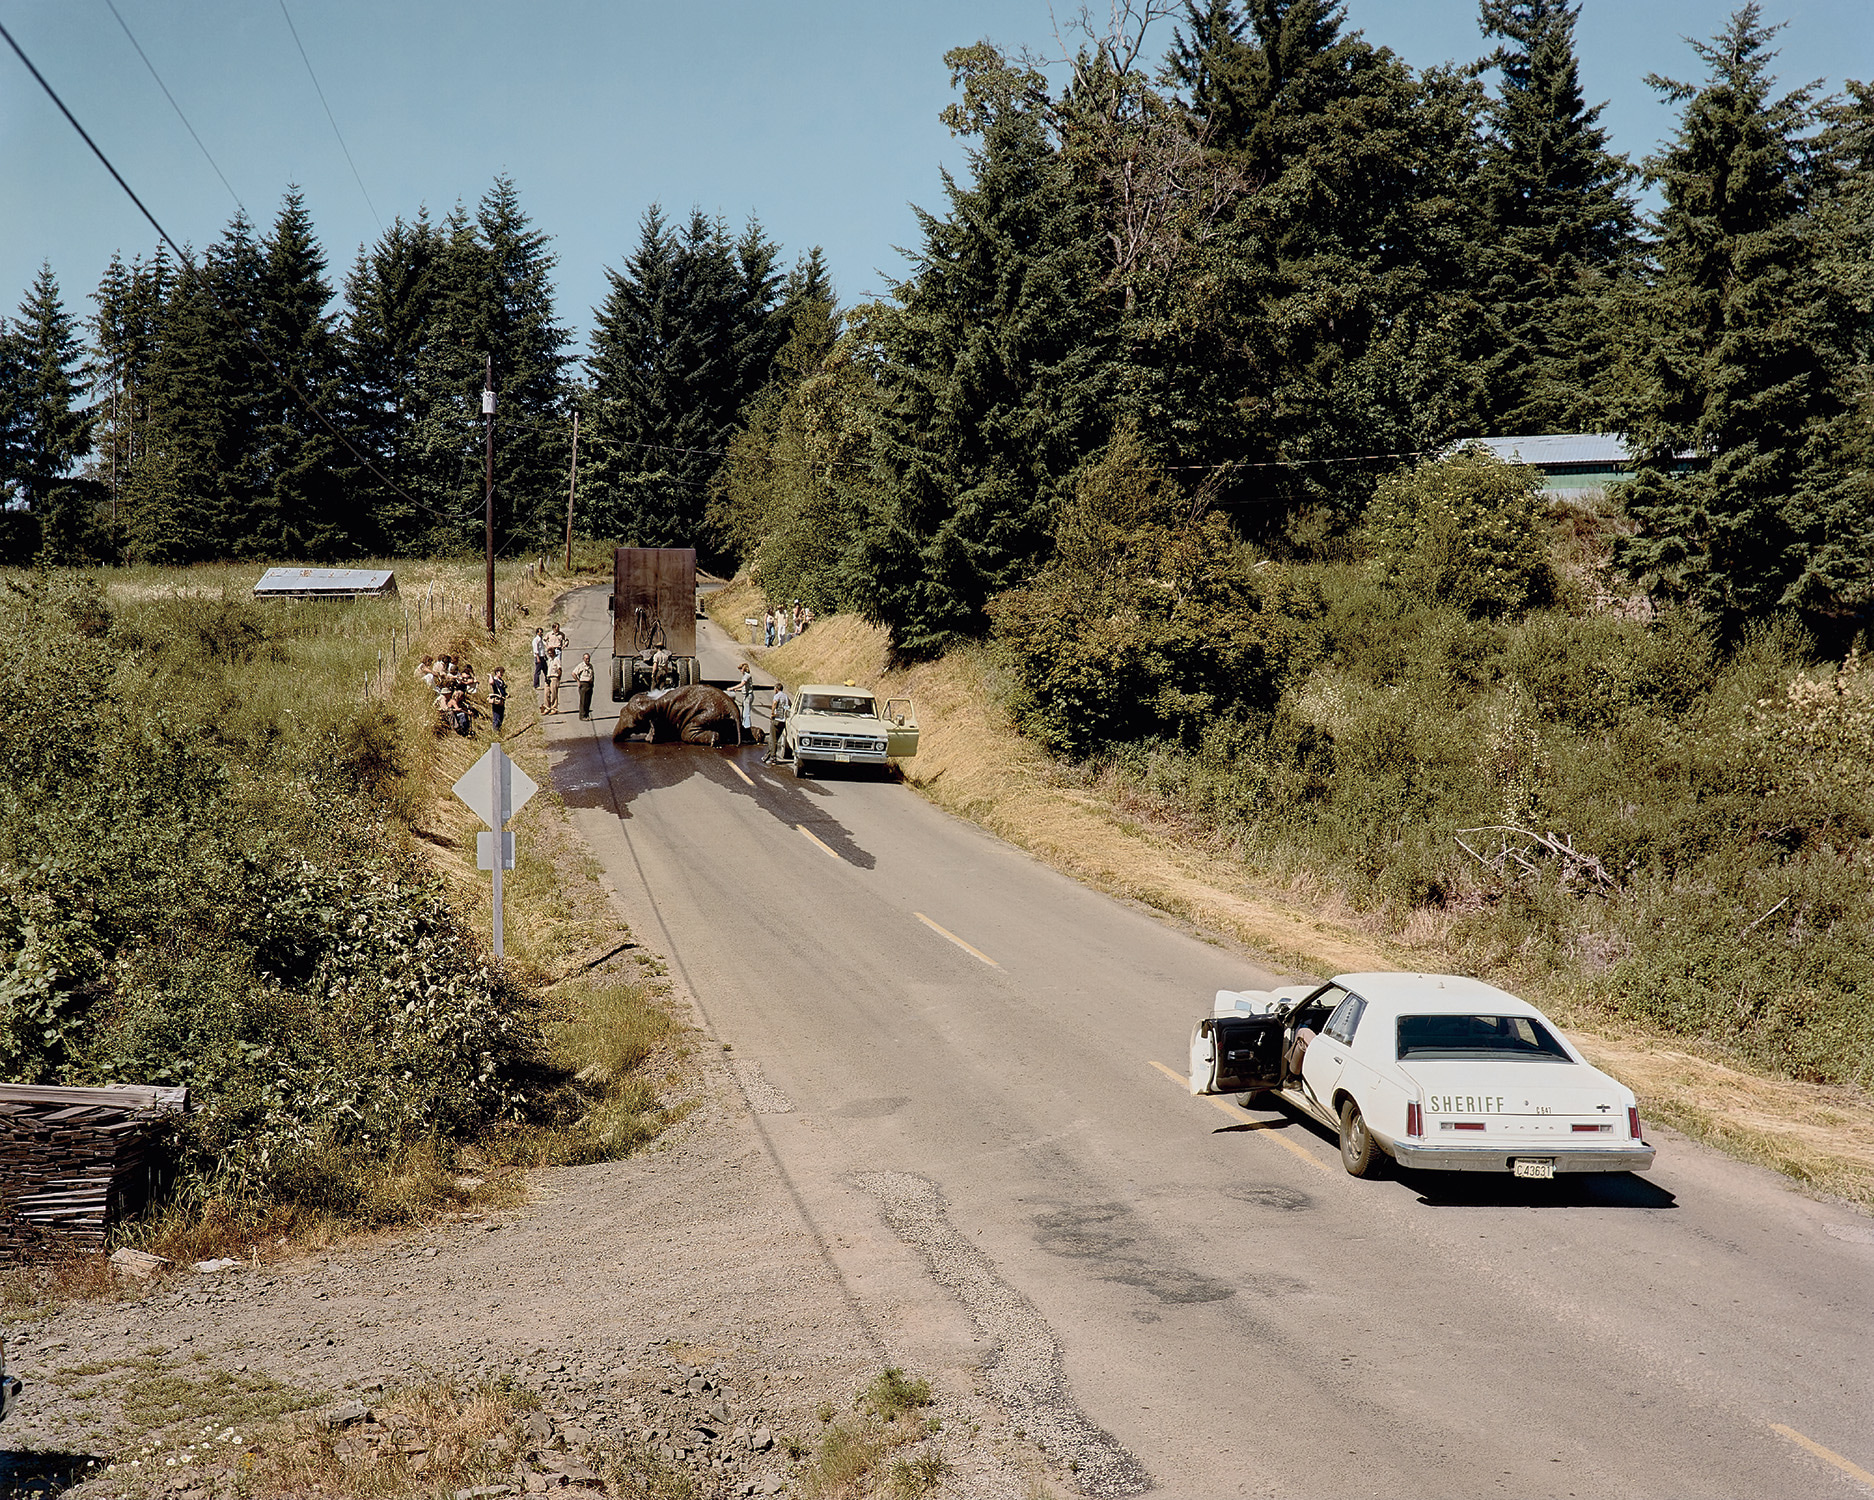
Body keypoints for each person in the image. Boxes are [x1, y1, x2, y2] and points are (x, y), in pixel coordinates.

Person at [765, 681, 793, 764]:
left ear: (776, 689)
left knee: (772, 739)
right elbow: (790, 705)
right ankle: (768, 754)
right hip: (783, 720)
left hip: (777, 719)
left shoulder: (777, 696)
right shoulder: (786, 697)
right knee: (777, 738)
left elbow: (774, 703)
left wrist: (772, 713)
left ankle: (773, 757)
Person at [735, 662, 754, 737]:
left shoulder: (746, 676)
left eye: (741, 669)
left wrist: (733, 688)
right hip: (746, 695)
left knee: (746, 713)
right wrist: (738, 690)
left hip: (748, 696)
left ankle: (747, 729)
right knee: (744, 713)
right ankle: (744, 727)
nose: (740, 671)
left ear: (744, 669)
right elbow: (744, 687)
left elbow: (742, 684)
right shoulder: (746, 676)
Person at [574, 651, 595, 719]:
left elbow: (592, 675)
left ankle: (587, 714)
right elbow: (573, 673)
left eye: (588, 658)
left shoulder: (590, 666)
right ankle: (582, 715)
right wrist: (578, 681)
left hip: (589, 684)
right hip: (583, 684)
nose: (587, 660)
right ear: (583, 659)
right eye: (586, 659)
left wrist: (592, 683)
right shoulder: (581, 666)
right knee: (583, 701)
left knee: (588, 701)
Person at [489, 667, 508, 734]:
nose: (502, 674)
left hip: (502, 701)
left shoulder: (501, 681)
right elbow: (491, 682)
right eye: (501, 672)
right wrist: (490, 676)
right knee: (496, 718)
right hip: (497, 701)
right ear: (497, 672)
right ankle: (495, 733)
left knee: (501, 717)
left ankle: (498, 731)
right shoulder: (494, 680)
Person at [544, 646, 563, 714]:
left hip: (554, 677)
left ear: (554, 653)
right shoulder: (549, 660)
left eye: (551, 653)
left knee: (554, 693)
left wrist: (558, 677)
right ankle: (547, 707)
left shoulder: (556, 660)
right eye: (549, 653)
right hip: (548, 677)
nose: (550, 654)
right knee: (546, 693)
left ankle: (554, 708)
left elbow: (559, 669)